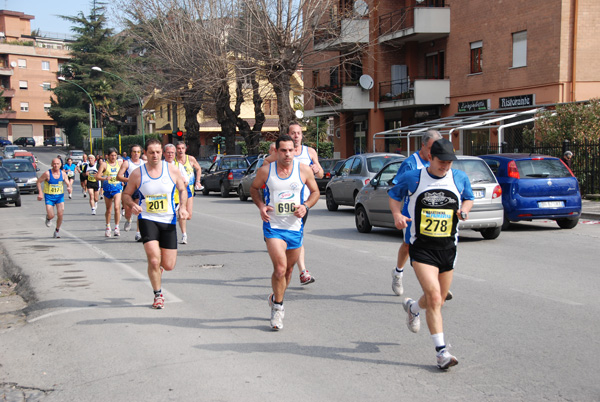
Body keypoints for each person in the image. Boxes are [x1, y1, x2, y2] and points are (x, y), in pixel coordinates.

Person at [388, 139, 474, 370]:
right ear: (430, 158)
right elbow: (394, 195)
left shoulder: (458, 178)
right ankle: (441, 353)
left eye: (448, 163)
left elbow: (469, 197)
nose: (445, 167)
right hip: (422, 247)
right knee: (435, 297)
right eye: (441, 162)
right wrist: (397, 215)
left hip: (448, 249)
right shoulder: (414, 177)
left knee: (438, 298)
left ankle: (414, 308)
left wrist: (464, 210)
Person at [250, 135, 320, 330]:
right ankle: (278, 309)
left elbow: (315, 192)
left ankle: (275, 297)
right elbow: (254, 189)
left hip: (294, 227)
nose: (287, 154)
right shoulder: (266, 171)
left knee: (289, 270)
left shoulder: (303, 170)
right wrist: (261, 205)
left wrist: (305, 206)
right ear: (276, 151)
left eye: (290, 150)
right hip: (273, 226)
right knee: (280, 268)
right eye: (283, 150)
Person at [122, 139, 189, 309]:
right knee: (153, 260)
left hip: (168, 220)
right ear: (146, 153)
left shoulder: (172, 170)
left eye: (158, 152)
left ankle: (158, 268)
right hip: (147, 219)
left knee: (168, 265)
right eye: (151, 152)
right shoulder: (138, 173)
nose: (155, 155)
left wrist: (182, 207)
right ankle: (158, 295)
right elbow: (126, 194)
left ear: (162, 153)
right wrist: (132, 205)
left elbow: (182, 190)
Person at [263, 122, 324, 285]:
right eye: (293, 133)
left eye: (299, 133)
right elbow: (265, 167)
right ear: (288, 135)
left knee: (298, 234)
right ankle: (297, 269)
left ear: (302, 135)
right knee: (287, 242)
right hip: (279, 206)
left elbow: (321, 174)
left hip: (302, 204)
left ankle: (301, 270)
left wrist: (317, 170)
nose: (296, 136)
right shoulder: (282, 153)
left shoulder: (309, 152)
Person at [390, 130, 442, 297]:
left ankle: (436, 286)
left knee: (435, 248)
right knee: (408, 247)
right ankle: (398, 273)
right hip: (411, 214)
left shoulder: (439, 162)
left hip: (433, 214)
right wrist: (397, 214)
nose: (433, 153)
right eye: (431, 148)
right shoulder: (411, 164)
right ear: (423, 146)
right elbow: (397, 189)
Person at [36, 158, 72, 238]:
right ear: (52, 165)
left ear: (60, 165)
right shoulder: (47, 174)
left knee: (60, 214)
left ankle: (57, 231)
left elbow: (68, 182)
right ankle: (48, 218)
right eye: (54, 164)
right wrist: (40, 193)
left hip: (59, 197)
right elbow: (38, 181)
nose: (56, 165)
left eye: (57, 164)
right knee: (51, 215)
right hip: (49, 197)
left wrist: (69, 188)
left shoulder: (63, 174)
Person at [175, 141, 203, 244]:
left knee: (189, 215)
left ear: (185, 149)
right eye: (178, 148)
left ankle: (178, 216)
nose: (180, 150)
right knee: (182, 214)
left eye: (182, 148)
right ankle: (184, 235)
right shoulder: (173, 161)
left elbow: (198, 168)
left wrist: (198, 181)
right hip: (177, 191)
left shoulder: (190, 159)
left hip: (189, 190)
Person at [117, 144, 145, 241]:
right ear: (131, 153)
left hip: (139, 190)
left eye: (138, 152)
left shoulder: (144, 163)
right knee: (128, 212)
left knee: (139, 211)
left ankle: (138, 233)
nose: (136, 154)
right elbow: (118, 176)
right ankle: (128, 219)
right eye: (134, 152)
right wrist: (130, 180)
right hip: (129, 189)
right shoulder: (127, 163)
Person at [96, 148, 123, 237]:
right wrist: (104, 178)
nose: (113, 157)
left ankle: (117, 227)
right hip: (107, 188)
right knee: (109, 209)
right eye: (112, 155)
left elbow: (122, 174)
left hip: (117, 188)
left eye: (115, 155)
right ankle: (108, 227)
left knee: (116, 207)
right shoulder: (104, 164)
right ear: (108, 156)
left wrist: (122, 180)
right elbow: (97, 176)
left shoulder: (119, 164)